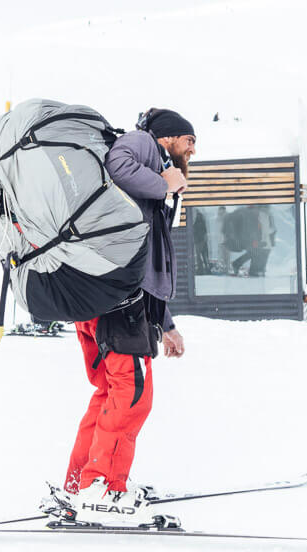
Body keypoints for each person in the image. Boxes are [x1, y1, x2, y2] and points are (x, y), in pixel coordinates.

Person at [44, 108, 195, 526]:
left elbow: (150, 263)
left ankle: (80, 485)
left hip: (105, 304)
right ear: (167, 137)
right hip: (120, 309)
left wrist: (165, 324)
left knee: (109, 395)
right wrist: (164, 182)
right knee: (132, 398)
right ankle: (103, 488)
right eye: (188, 140)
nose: (193, 150)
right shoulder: (143, 143)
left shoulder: (151, 173)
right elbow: (119, 162)